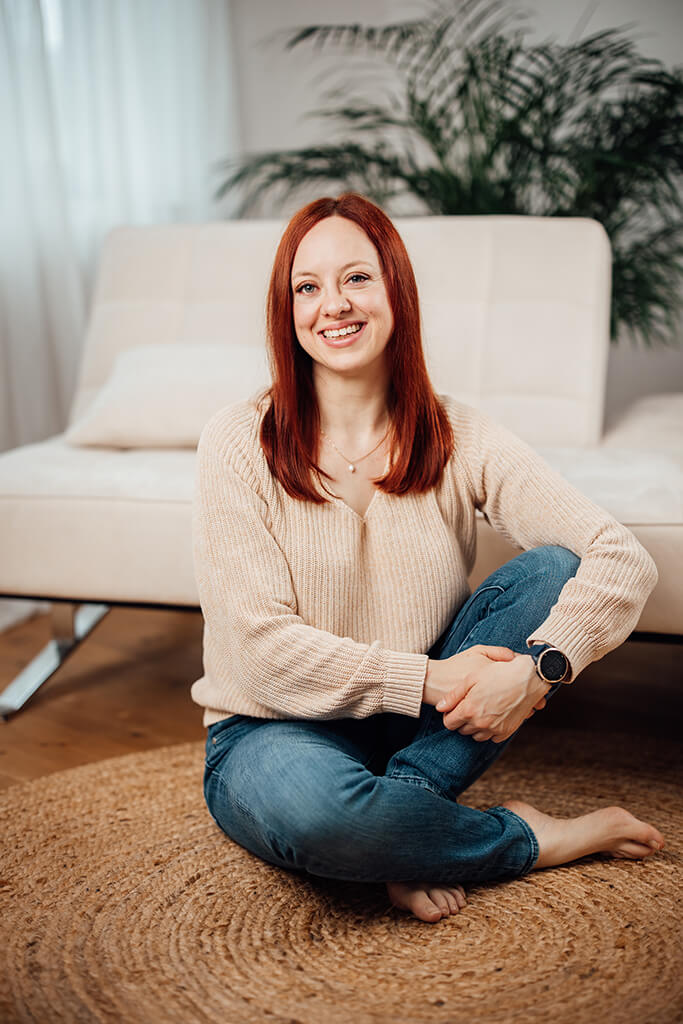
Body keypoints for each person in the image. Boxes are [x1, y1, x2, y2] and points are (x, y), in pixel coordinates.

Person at [191, 192, 665, 924]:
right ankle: (529, 837)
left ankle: (407, 816)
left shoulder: (458, 433)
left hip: (420, 731)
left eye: (356, 278)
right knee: (327, 819)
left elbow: (617, 556)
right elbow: (259, 656)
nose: (332, 305)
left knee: (550, 568)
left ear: (395, 291)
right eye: (307, 287)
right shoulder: (236, 441)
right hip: (272, 728)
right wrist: (437, 676)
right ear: (286, 312)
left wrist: (540, 672)